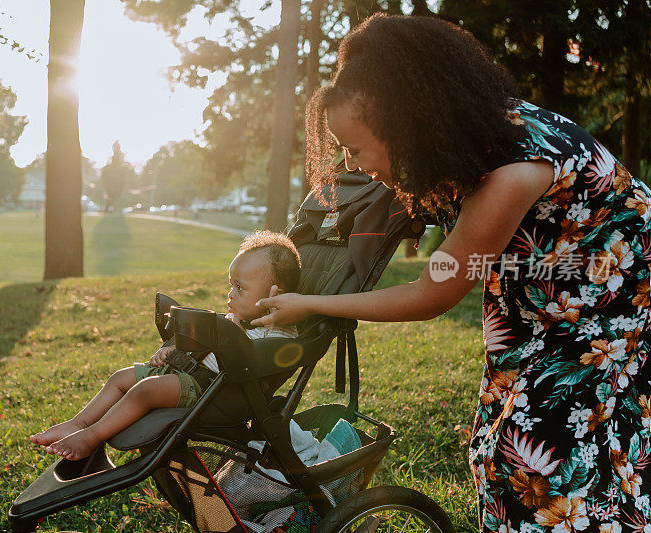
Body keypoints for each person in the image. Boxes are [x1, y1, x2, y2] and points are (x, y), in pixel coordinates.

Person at [251, 14, 651, 532]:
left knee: (549, 455)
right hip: (542, 284)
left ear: (406, 123)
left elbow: (430, 292)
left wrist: (314, 303)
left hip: (608, 298)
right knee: (502, 440)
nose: (353, 164)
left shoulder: (512, 171)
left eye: (356, 148)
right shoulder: (467, 135)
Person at [30, 230, 300, 461]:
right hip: (190, 375)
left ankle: (91, 436)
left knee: (144, 391)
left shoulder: (278, 334)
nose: (230, 294)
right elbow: (205, 346)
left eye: (240, 288)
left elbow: (251, 360)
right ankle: (78, 423)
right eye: (231, 285)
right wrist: (174, 349)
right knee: (121, 378)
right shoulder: (239, 318)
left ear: (274, 295)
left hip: (213, 391)